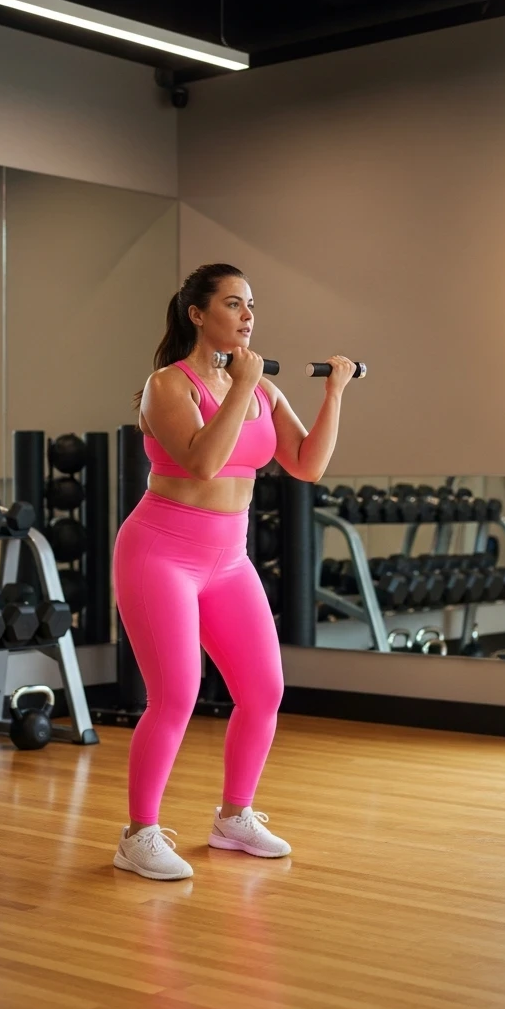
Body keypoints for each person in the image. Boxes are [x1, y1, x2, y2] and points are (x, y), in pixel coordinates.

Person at [112, 263, 357, 881]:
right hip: (160, 553)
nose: (247, 316)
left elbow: (306, 465)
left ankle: (234, 818)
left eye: (251, 305)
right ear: (197, 314)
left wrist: (333, 395)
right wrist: (243, 388)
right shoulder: (167, 385)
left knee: (264, 691)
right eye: (232, 304)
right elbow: (202, 463)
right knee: (176, 696)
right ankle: (138, 834)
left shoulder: (264, 391)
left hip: (229, 559)